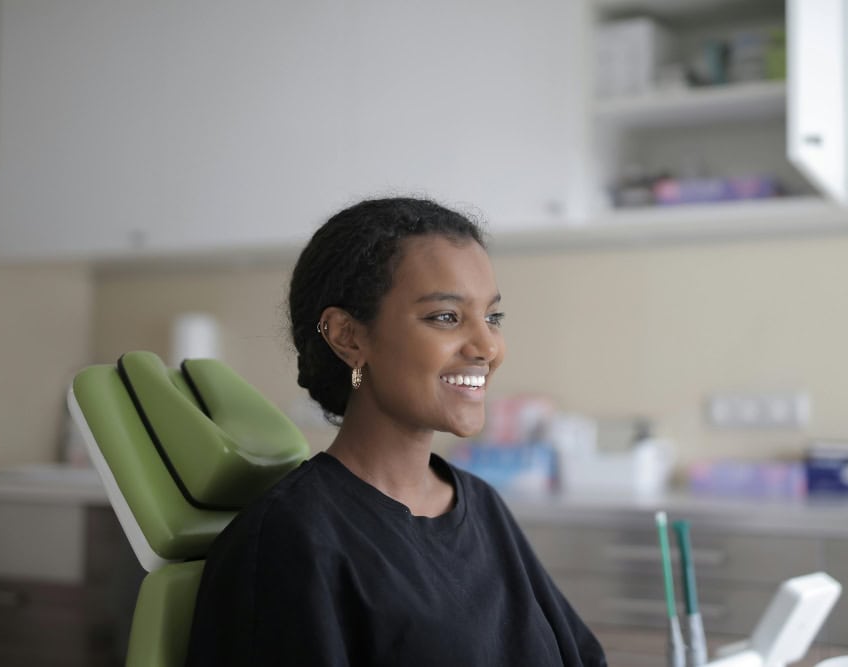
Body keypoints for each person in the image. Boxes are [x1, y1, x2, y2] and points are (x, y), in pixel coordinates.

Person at [185, 197, 607, 666]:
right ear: (348, 336)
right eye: (445, 316)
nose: (488, 345)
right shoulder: (291, 540)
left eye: (492, 317)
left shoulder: (480, 504)